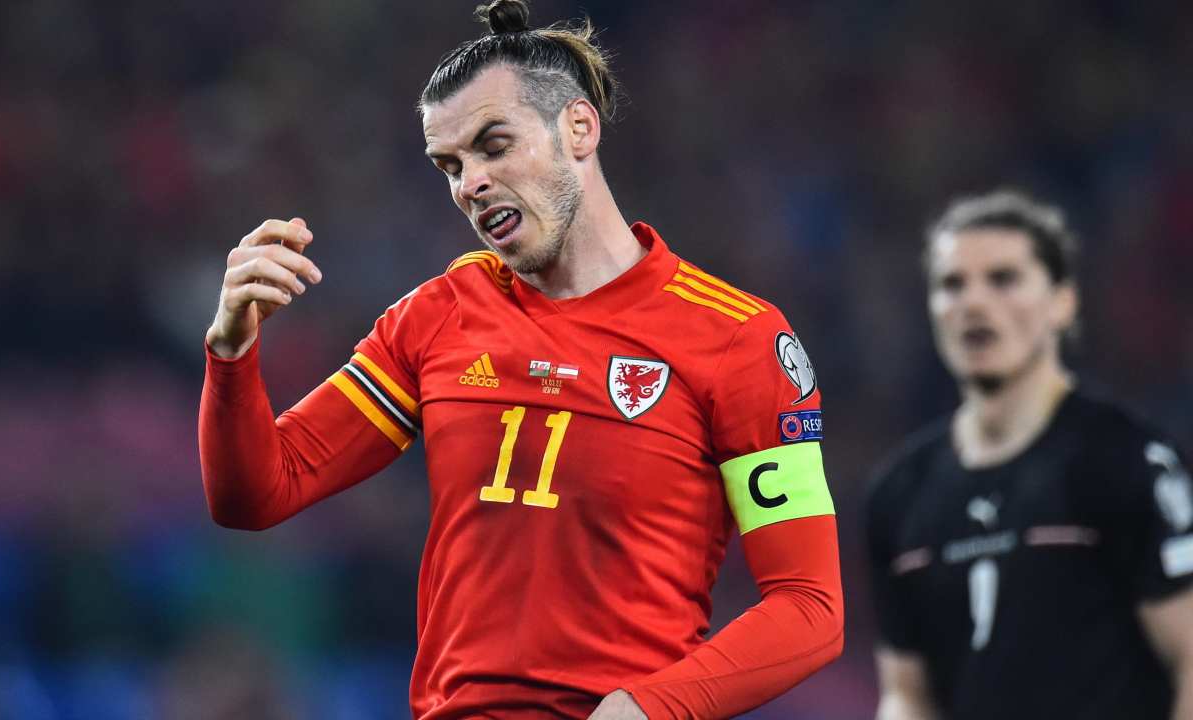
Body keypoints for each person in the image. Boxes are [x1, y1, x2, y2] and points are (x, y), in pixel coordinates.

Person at [199, 1, 842, 717]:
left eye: (493, 145)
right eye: (450, 165)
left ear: (578, 128)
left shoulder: (736, 338)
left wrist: (649, 708)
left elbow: (809, 606)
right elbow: (258, 494)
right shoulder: (440, 315)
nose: (469, 183)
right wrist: (232, 350)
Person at [865, 190, 1193, 719]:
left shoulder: (1126, 462)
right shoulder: (899, 494)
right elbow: (907, 693)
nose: (974, 303)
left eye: (1003, 279)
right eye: (952, 285)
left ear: (1063, 301)